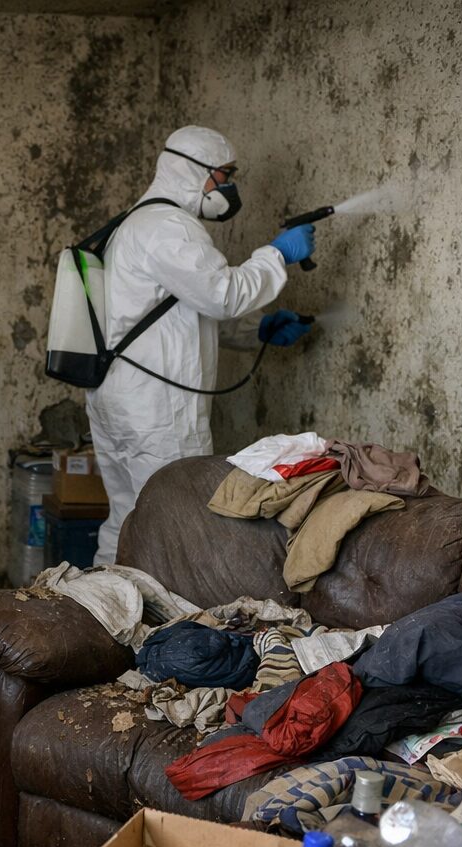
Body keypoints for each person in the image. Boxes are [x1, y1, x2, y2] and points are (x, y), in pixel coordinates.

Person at [88, 124, 316, 563]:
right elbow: (222, 294)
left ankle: (103, 611)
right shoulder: (167, 226)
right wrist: (276, 254)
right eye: (225, 175)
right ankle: (160, 627)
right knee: (174, 521)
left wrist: (258, 329)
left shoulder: (136, 223)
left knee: (126, 517)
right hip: (156, 407)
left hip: (122, 397)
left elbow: (180, 312)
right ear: (195, 172)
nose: (229, 188)